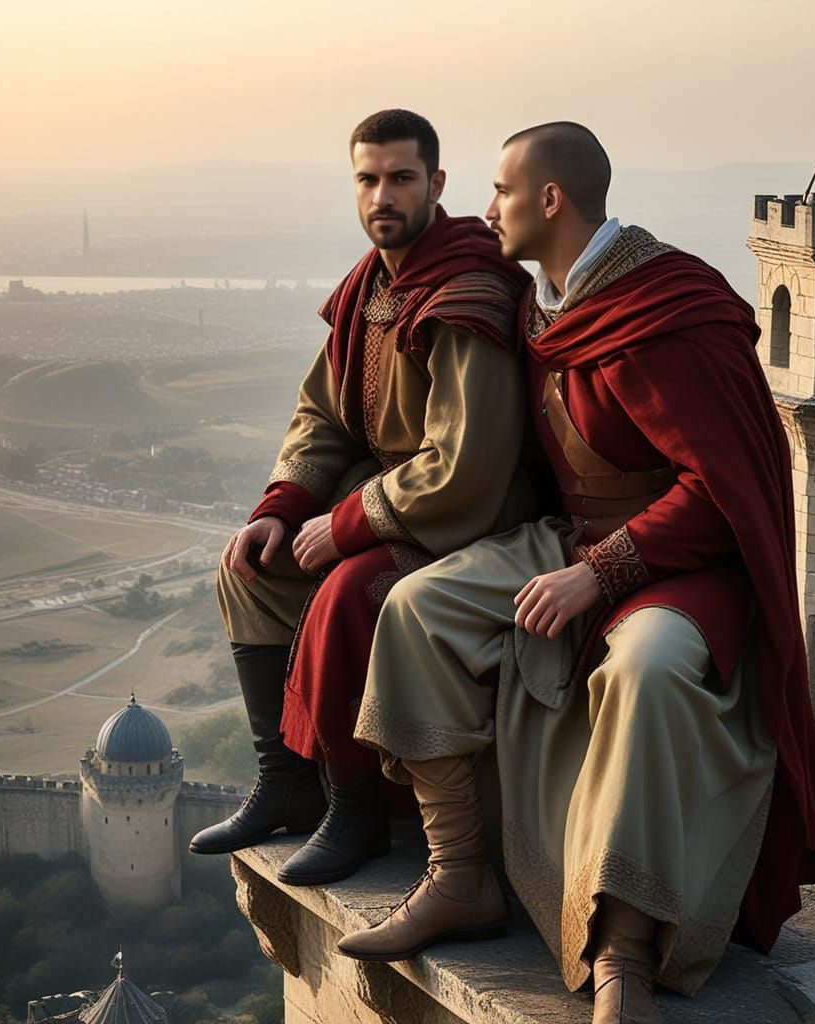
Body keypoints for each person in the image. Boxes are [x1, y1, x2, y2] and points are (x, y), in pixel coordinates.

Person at [337, 122, 815, 1023]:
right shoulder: (543, 304)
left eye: (501, 192)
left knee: (647, 669)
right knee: (416, 609)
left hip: (685, 560)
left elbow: (722, 485)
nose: (487, 208)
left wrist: (604, 574)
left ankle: (624, 948)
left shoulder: (669, 305)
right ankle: (460, 873)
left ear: (550, 201)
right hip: (568, 537)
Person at [188, 109, 532, 890]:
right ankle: (286, 782)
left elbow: (465, 466)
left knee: (349, 592)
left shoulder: (466, 295)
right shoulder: (369, 286)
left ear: (436, 185)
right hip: (387, 500)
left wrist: (343, 525)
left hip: (469, 518)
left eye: (402, 178)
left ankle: (357, 811)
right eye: (369, 179)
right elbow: (323, 414)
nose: (384, 195)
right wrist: (283, 505)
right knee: (249, 566)